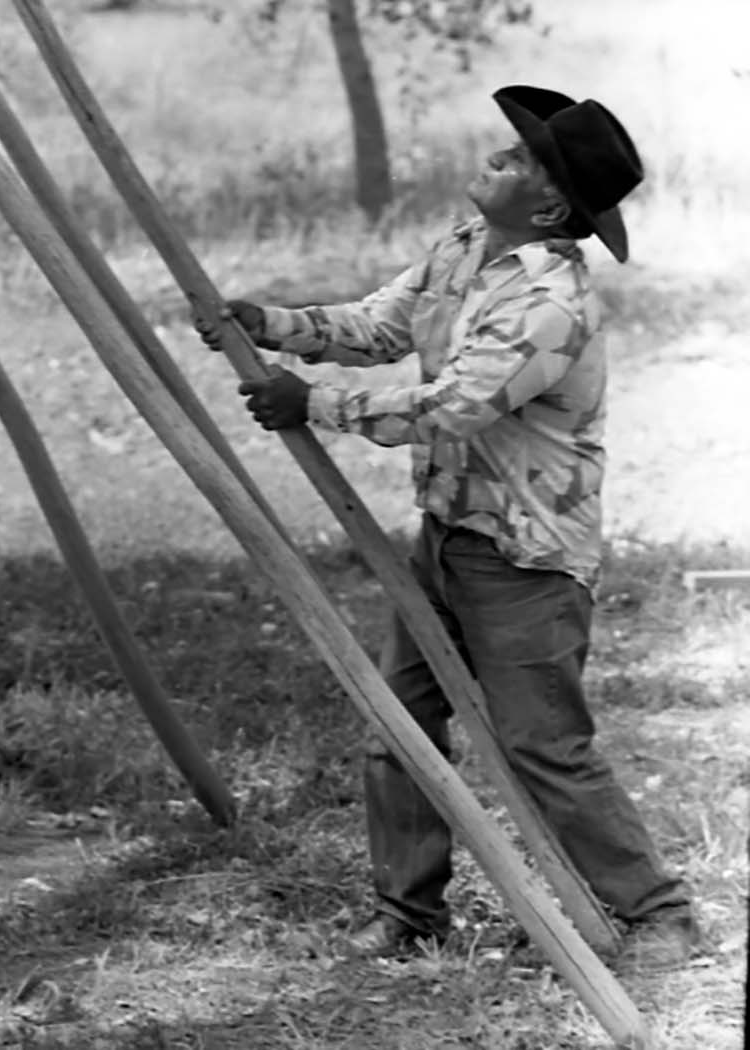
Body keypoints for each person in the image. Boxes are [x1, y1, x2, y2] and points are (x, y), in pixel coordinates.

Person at [196, 85, 700, 975]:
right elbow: (381, 323)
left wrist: (312, 402)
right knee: (399, 725)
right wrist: (273, 325)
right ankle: (408, 912)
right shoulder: (469, 248)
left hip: (526, 556)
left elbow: (458, 403)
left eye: (518, 159)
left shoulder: (552, 296)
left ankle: (658, 915)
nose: (496, 157)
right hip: (449, 531)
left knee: (544, 746)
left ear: (547, 205)